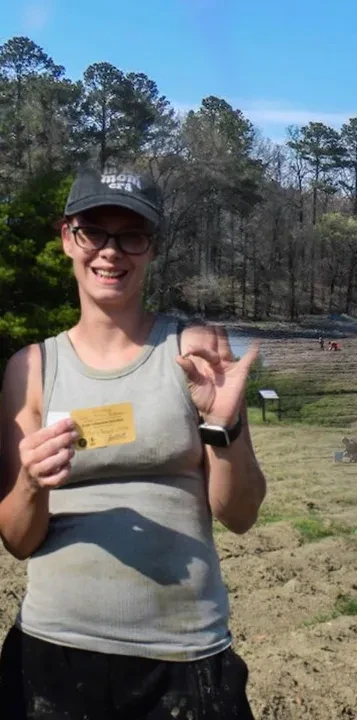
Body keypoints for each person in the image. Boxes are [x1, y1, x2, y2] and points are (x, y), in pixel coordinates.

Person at [0, 166, 262, 717]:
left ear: (152, 248)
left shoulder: (193, 355)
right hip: (53, 656)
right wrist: (30, 483)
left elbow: (239, 516)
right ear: (67, 238)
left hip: (185, 657)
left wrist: (224, 425)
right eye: (93, 232)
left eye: (131, 236)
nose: (110, 252)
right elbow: (18, 541)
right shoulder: (31, 369)